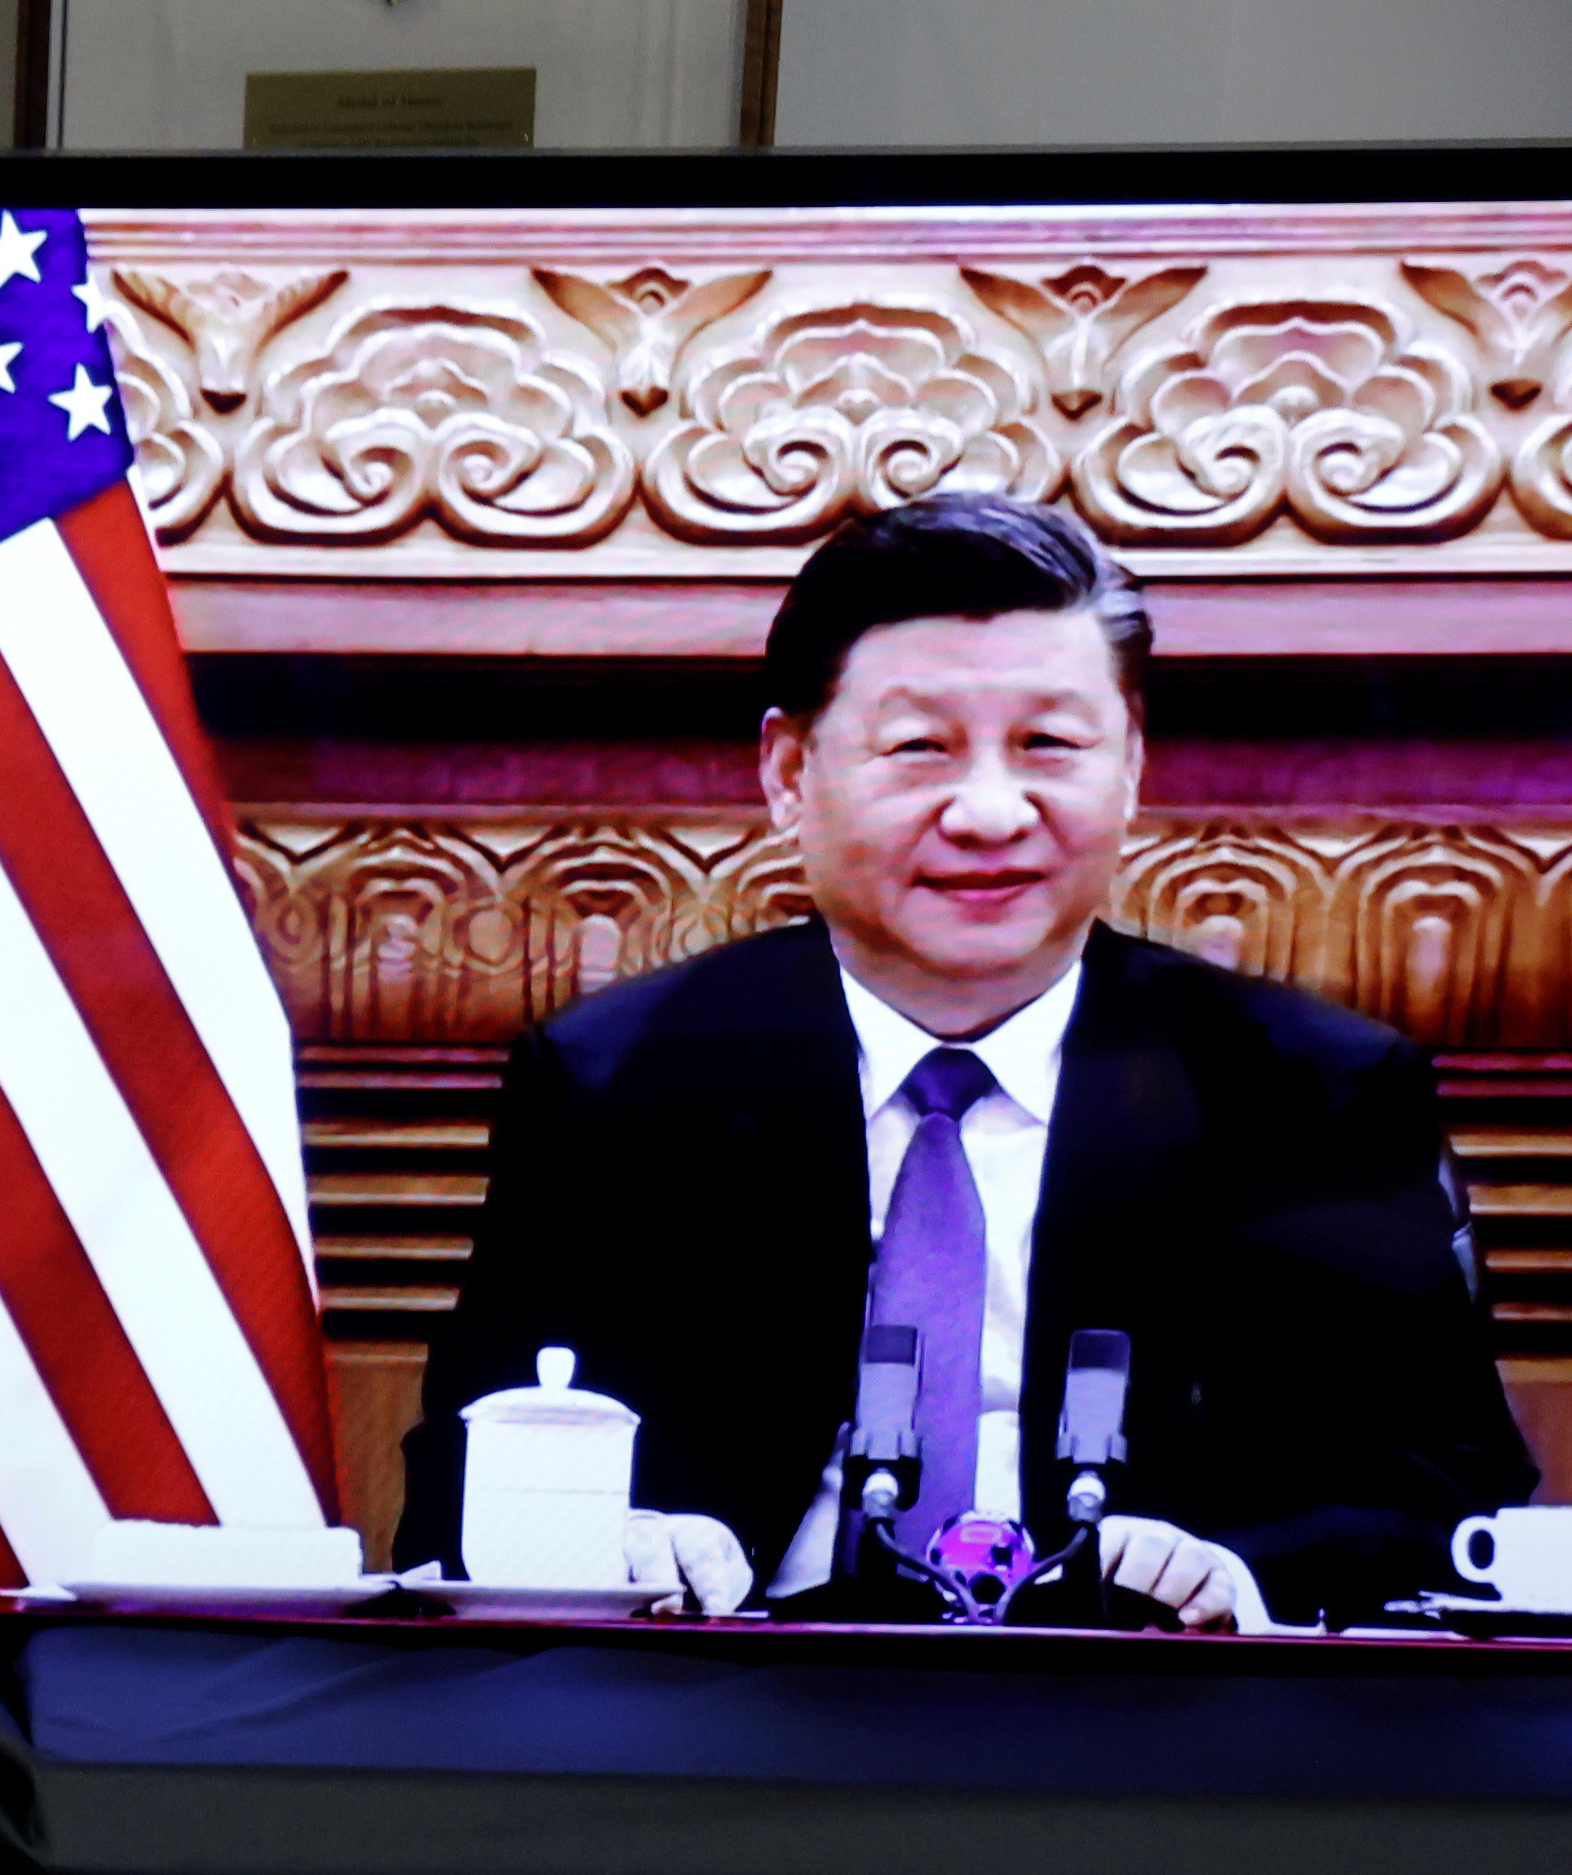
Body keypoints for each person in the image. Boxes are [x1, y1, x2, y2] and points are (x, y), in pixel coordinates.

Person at [394, 492, 1529, 1627]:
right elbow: (463, 1472)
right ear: (789, 774)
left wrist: (1245, 1574)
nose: (990, 811)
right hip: (731, 1713)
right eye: (920, 747)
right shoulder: (616, 1080)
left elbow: (1450, 1489)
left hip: (1160, 1726)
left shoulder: (1304, 1090)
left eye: (1048, 744)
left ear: (1130, 765)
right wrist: (614, 1541)